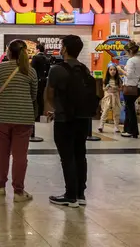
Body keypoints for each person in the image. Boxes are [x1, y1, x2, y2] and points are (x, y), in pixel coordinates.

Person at [0, 40, 37, 202]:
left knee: (2, 152)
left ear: (8, 52)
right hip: (24, 117)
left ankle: (0, 185)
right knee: (20, 155)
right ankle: (19, 192)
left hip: (2, 116)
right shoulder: (30, 71)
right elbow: (33, 95)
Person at [44, 35, 90, 208]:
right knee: (80, 154)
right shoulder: (84, 69)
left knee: (67, 157)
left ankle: (70, 195)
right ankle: (80, 194)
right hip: (82, 119)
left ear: (64, 49)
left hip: (64, 119)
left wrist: (55, 109)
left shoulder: (56, 70)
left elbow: (49, 94)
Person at [118, 41, 140, 138]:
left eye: (126, 52)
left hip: (130, 88)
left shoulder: (131, 60)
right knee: (130, 108)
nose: (125, 54)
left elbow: (129, 74)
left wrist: (120, 70)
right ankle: (128, 130)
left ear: (130, 51)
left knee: (129, 110)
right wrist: (124, 67)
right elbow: (135, 72)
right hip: (139, 87)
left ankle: (131, 131)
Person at [30, 43, 50, 138]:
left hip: (36, 80)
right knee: (41, 97)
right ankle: (40, 115)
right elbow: (48, 70)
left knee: (34, 97)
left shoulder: (35, 58)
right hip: (44, 80)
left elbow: (31, 69)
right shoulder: (46, 58)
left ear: (37, 49)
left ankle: (33, 115)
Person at [98, 64, 122, 133]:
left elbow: (121, 88)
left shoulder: (118, 79)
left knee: (116, 112)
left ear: (116, 71)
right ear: (108, 71)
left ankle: (116, 127)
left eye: (114, 70)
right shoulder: (106, 79)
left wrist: (116, 88)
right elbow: (103, 89)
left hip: (115, 97)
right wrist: (107, 87)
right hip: (108, 97)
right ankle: (101, 126)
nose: (112, 71)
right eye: (111, 70)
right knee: (105, 111)